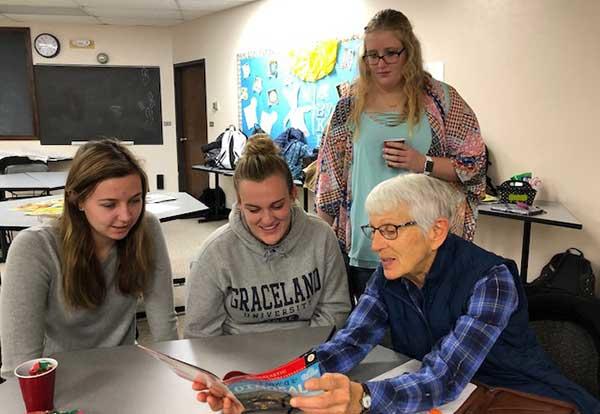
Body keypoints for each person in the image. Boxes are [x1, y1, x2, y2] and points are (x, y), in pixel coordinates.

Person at [194, 174, 600, 414]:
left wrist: (362, 398)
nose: (376, 245)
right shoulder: (390, 276)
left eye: (391, 230)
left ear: (436, 231)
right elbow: (345, 345)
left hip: (526, 401)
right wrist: (260, 389)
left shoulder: (490, 279)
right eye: (375, 230)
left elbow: (444, 376)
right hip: (455, 401)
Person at [315, 9, 487, 302]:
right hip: (367, 242)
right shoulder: (348, 105)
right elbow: (329, 178)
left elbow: (474, 165)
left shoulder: (441, 99)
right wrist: (322, 244)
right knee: (372, 335)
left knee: (425, 334)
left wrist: (423, 163)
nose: (380, 63)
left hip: (423, 244)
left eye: (391, 53)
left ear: (409, 52)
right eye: (372, 55)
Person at [0, 139, 178, 377]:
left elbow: (164, 326)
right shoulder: (35, 248)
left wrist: (177, 380)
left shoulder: (147, 229)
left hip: (125, 373)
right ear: (78, 200)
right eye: (109, 204)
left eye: (135, 201)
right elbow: (18, 366)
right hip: (59, 378)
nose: (126, 216)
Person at [184, 135, 350, 338]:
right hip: (237, 361)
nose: (267, 219)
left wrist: (300, 360)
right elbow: (200, 334)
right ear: (239, 202)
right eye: (254, 209)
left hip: (309, 356)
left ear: (292, 195)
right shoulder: (214, 253)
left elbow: (335, 311)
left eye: (277, 206)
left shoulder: (322, 237)